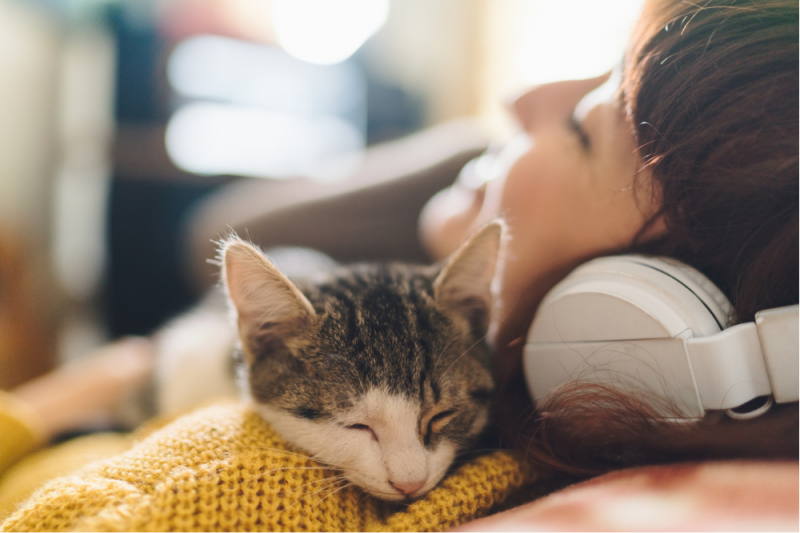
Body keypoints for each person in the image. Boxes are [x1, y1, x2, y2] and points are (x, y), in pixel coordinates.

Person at [0, 0, 797, 529]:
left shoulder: (234, 482)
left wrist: (55, 400)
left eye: (590, 126)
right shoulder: (463, 364)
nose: (520, 97)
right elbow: (222, 229)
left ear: (646, 314)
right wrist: (485, 182)